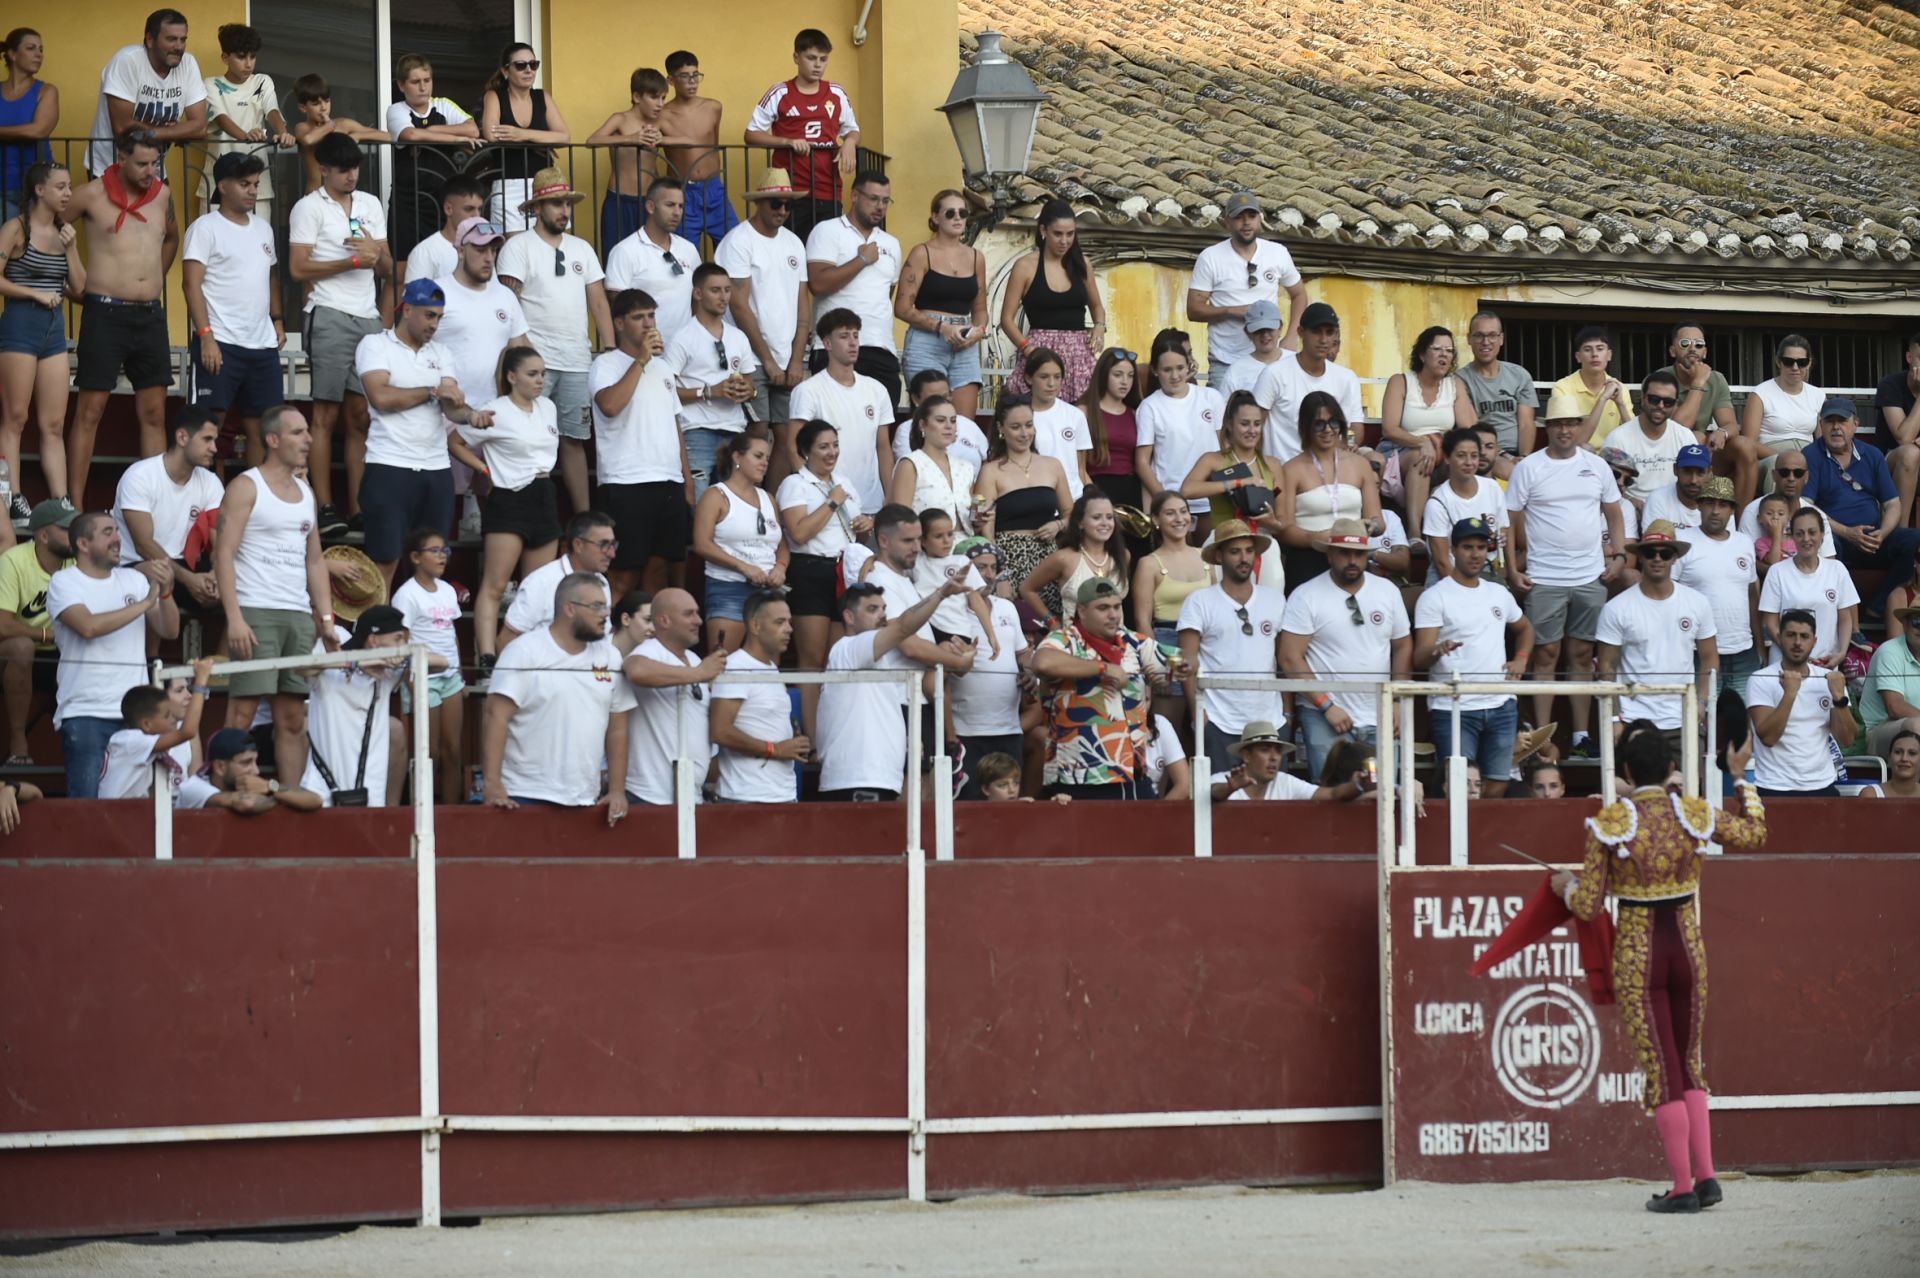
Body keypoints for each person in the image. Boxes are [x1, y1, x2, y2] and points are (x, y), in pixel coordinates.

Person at [1552, 728, 1768, 1214]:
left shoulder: (1610, 822)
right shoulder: (1691, 813)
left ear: (1627, 772)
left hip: (1638, 954)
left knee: (1663, 1070)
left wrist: (1564, 886)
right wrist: (1741, 778)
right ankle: (1707, 1177)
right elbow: (1754, 833)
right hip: (1688, 950)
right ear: (1670, 768)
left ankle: (1681, 1186)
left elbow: (1587, 906)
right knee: (1689, 1063)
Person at [214, 404, 333, 785]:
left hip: (297, 614)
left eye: (307, 432)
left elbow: (315, 560)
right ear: (273, 439)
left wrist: (326, 619)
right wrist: (234, 617)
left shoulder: (305, 491)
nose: (308, 439)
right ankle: (223, 796)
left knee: (293, 718)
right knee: (241, 715)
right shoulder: (246, 485)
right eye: (298, 432)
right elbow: (223, 553)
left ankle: (292, 798)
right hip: (256, 611)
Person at [1507, 394, 1627, 758]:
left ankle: (1578, 735)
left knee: (1581, 652)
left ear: (1578, 426)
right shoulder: (1529, 467)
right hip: (1544, 575)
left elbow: (1614, 514)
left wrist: (1620, 554)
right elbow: (1510, 520)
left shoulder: (1596, 465)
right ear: (1547, 426)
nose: (1564, 429)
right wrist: (1513, 568)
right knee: (1545, 654)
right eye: (1557, 423)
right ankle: (1542, 737)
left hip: (1590, 574)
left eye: (1570, 422)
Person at [64, 128, 176, 502]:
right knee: (89, 412)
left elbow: (172, 236)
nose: (150, 170)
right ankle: (74, 505)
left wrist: (155, 276)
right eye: (142, 163)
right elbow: (45, 226)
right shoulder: (91, 194)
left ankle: (154, 506)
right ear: (121, 159)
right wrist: (68, 278)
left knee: (155, 414)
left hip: (150, 315)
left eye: (154, 162)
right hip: (104, 312)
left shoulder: (162, 195)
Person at [354, 278, 488, 584]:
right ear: (407, 309)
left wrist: (472, 416)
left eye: (439, 317)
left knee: (430, 565)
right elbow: (381, 398)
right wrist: (431, 390)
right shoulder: (375, 344)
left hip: (436, 468)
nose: (434, 324)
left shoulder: (442, 353)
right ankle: (378, 629)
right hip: (389, 465)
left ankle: (419, 631)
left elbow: (452, 404)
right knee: (384, 563)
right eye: (429, 315)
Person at [288, 132, 390, 533]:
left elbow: (385, 268)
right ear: (324, 169)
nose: (351, 176)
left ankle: (359, 506)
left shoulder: (370, 204)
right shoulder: (308, 208)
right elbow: (297, 269)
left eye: (356, 168)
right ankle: (325, 507)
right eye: (343, 169)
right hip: (327, 313)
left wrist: (375, 254)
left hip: (367, 318)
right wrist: (351, 260)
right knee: (325, 415)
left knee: (360, 417)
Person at [495, 169, 611, 516]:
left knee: (574, 440)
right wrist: (522, 352)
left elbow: (600, 302)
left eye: (567, 203)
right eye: (556, 203)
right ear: (537, 208)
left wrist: (611, 350)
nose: (564, 210)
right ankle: (530, 512)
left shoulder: (582, 248)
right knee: (529, 437)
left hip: (577, 359)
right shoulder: (518, 246)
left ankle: (583, 518)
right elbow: (507, 302)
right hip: (533, 360)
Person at [47, 511, 178, 796]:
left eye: (117, 531)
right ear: (82, 543)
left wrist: (165, 592)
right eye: (108, 532)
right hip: (85, 712)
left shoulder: (133, 579)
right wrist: (145, 603)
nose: (118, 538)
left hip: (135, 713)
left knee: (135, 806)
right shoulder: (64, 582)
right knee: (86, 807)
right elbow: (88, 627)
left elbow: (169, 630)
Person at [483, 572, 631, 821]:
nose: (605, 614)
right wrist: (493, 784)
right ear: (569, 609)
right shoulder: (524, 650)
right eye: (596, 606)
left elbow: (618, 728)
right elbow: (496, 716)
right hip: (522, 794)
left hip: (586, 797)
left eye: (606, 605)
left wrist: (617, 790)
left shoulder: (611, 656)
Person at [1280, 518, 1413, 778]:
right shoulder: (1306, 595)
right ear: (1330, 554)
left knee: (1384, 794)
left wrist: (1397, 699)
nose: (1352, 560)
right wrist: (1326, 706)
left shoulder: (1388, 591)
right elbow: (1289, 657)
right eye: (1344, 552)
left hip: (1380, 710)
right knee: (1331, 796)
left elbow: (1403, 646)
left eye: (1359, 553)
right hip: (1324, 715)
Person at [448, 346, 558, 661]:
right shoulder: (495, 409)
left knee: (536, 591)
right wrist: (484, 470)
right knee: (495, 584)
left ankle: (527, 657)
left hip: (544, 490)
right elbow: (455, 442)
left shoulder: (547, 407)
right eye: (532, 374)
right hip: (510, 495)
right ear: (512, 376)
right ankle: (486, 655)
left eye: (542, 374)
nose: (540, 380)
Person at [816, 577, 969, 801]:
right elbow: (902, 627)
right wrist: (941, 594)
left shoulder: (874, 658)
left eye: (883, 608)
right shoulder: (848, 648)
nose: (882, 615)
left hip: (871, 779)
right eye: (872, 609)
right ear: (849, 617)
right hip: (858, 779)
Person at [1413, 517, 1532, 797]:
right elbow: (1419, 657)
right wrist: (1437, 650)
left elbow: (1526, 629)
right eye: (1468, 547)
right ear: (1453, 549)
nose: (1476, 553)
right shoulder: (1435, 596)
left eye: (1482, 547)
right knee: (1458, 786)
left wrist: (1522, 659)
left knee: (1499, 782)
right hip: (1453, 704)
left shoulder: (1498, 592)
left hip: (1501, 703)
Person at [183, 153, 282, 464]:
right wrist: (206, 337)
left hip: (262, 344)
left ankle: (257, 506)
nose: (253, 190)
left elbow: (271, 277)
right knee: (208, 428)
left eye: (255, 184)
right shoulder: (205, 227)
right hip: (220, 341)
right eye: (244, 184)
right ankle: (201, 503)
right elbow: (190, 285)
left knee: (265, 431)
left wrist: (278, 321)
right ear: (223, 186)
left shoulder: (264, 229)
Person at [1031, 578, 1167, 799]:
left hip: (1133, 771)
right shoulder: (1065, 639)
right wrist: (1102, 668)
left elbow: (1177, 661)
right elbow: (1042, 662)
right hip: (1079, 775)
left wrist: (1183, 667)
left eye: (1116, 607)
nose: (1113, 615)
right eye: (1103, 608)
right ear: (1082, 611)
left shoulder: (1134, 642)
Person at [300, 605, 444, 808]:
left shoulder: (387, 675)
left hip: (370, 793)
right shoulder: (330, 673)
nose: (403, 644)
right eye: (397, 639)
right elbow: (302, 667)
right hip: (322, 791)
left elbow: (442, 663)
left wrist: (406, 657)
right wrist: (356, 663)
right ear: (373, 640)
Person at [1596, 520, 1720, 755]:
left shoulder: (1697, 602)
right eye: (1650, 552)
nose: (1657, 559)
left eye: (1665, 554)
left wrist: (1702, 704)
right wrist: (1613, 719)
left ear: (1675, 558)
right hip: (1633, 720)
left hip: (1683, 719)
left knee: (1692, 790)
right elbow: (1606, 667)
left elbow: (1710, 658)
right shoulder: (1616, 608)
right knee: (1635, 791)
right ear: (1641, 556)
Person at [0, 159, 81, 514]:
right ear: (39, 190)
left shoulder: (65, 232)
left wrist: (74, 248)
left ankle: (60, 500)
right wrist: (33, 293)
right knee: (15, 417)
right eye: (61, 187)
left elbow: (81, 287)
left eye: (69, 187)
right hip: (20, 323)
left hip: (53, 328)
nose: (68, 193)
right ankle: (13, 495)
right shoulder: (16, 228)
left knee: (53, 423)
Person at [778, 419, 870, 728]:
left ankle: (833, 731)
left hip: (844, 570)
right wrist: (832, 503)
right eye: (823, 447)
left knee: (838, 658)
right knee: (812, 659)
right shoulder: (795, 484)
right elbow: (799, 533)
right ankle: (812, 737)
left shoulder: (843, 481)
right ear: (805, 451)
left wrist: (865, 527)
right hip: (809, 571)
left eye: (834, 445)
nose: (831, 453)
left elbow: (855, 535)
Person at [1802, 396, 1920, 621]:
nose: (1836, 427)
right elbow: (1807, 507)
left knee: (1915, 541)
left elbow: (1893, 504)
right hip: (1835, 536)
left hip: (1872, 536)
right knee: (1823, 543)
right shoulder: (1811, 455)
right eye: (1830, 421)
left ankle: (1879, 605)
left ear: (1855, 423)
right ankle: (1837, 617)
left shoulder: (1872, 454)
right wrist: (1846, 532)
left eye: (1842, 421)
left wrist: (1882, 533)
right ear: (1821, 425)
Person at [1177, 520, 1285, 765]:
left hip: (1269, 718)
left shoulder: (1275, 600)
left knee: (1273, 800)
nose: (1243, 558)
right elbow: (1187, 663)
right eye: (1235, 552)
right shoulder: (1199, 601)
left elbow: (1284, 660)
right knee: (1220, 797)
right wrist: (1198, 714)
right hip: (1217, 718)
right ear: (1219, 555)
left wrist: (1287, 713)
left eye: (1248, 551)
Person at [745, 28, 861, 241]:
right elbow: (751, 134)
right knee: (791, 250)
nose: (818, 65)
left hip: (829, 189)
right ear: (796, 58)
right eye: (811, 58)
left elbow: (852, 130)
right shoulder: (779, 92)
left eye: (823, 59)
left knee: (826, 252)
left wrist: (850, 143)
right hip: (789, 192)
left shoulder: (836, 92)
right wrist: (786, 142)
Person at [719, 170, 812, 434]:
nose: (782, 210)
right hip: (750, 357)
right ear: (758, 203)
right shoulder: (739, 241)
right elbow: (738, 305)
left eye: (788, 205)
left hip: (785, 356)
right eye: (775, 203)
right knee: (756, 432)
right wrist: (768, 361)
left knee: (787, 434)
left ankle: (777, 479)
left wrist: (796, 359)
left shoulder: (794, 243)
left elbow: (802, 304)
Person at [1187, 192, 1306, 385]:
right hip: (1225, 360)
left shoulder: (1277, 253)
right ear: (1227, 222)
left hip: (1269, 359)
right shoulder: (1210, 257)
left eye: (1251, 216)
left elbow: (1299, 294)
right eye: (1239, 217)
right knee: (1225, 414)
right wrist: (1231, 311)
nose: (1246, 222)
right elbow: (1193, 309)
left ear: (1260, 218)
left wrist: (1291, 338)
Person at [805, 170, 901, 406]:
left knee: (880, 428)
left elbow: (886, 294)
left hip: (882, 348)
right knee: (835, 428)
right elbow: (817, 284)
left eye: (885, 201)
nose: (880, 206)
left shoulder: (891, 243)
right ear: (855, 196)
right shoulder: (827, 231)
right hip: (834, 347)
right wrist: (861, 261)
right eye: (873, 198)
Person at [112, 406, 222, 611]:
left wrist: (217, 574)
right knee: (159, 578)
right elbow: (143, 545)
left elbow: (219, 541)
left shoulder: (211, 482)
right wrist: (189, 580)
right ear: (182, 437)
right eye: (207, 439)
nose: (215, 448)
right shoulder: (140, 477)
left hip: (185, 565)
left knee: (245, 589)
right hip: (137, 565)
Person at [621, 587, 724, 806]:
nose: (698, 620)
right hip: (649, 796)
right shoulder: (651, 650)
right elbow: (635, 669)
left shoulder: (695, 659)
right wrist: (699, 674)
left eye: (697, 613)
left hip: (690, 796)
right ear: (664, 621)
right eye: (689, 614)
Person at [785, 308, 894, 514]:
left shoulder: (877, 390)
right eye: (844, 336)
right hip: (826, 503)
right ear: (827, 344)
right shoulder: (808, 391)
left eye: (855, 335)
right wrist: (813, 492)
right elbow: (793, 447)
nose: (853, 343)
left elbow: (883, 448)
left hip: (871, 505)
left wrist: (891, 499)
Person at [666, 261, 759, 501]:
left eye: (727, 290)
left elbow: (750, 382)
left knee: (735, 504)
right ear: (698, 293)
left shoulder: (738, 337)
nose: (724, 297)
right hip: (696, 430)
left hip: (735, 429)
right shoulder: (682, 338)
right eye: (715, 290)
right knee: (698, 504)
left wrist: (746, 390)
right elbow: (665, 392)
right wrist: (708, 392)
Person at [1000, 199, 1105, 404]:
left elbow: (1096, 306)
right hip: (1040, 350)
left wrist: (1099, 327)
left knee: (1081, 414)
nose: (1064, 241)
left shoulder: (1082, 264)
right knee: (1032, 412)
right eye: (1058, 234)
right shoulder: (1025, 266)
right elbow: (1006, 319)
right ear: (1043, 231)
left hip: (1079, 352)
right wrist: (1027, 348)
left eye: (1070, 234)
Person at [895, 188, 986, 423]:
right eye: (950, 213)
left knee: (965, 425)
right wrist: (942, 328)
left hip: (965, 342)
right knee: (930, 420)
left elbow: (980, 310)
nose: (958, 218)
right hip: (927, 342)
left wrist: (977, 333)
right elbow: (902, 307)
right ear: (935, 217)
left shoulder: (976, 257)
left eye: (963, 212)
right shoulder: (921, 253)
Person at [710, 588, 809, 803]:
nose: (789, 629)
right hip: (747, 798)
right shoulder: (737, 667)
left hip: (781, 795)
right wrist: (776, 749)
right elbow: (720, 730)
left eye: (789, 622)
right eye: (780, 622)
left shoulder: (771, 668)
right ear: (755, 626)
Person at [389, 528, 465, 804]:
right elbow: (402, 641)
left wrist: (459, 674)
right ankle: (423, 810)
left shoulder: (447, 590)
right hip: (422, 677)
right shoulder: (406, 594)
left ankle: (452, 810)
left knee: (453, 749)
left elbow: (451, 634)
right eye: (434, 551)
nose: (442, 556)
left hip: (451, 678)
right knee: (427, 751)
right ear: (415, 557)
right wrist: (410, 679)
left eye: (445, 550)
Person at [1278, 391, 1384, 588]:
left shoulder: (1360, 464)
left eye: (1333, 422)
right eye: (1319, 424)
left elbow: (1378, 521)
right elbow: (1284, 530)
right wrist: (1315, 538)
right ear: (1306, 427)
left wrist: (1371, 526)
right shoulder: (1291, 469)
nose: (1328, 430)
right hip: (1308, 556)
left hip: (1352, 552)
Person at [692, 432, 786, 652]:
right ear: (737, 457)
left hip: (768, 590)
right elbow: (702, 544)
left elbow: (782, 546)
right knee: (723, 662)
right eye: (758, 456)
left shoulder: (768, 498)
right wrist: (743, 566)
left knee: (767, 666)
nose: (765, 463)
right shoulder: (716, 495)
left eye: (767, 458)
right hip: (728, 586)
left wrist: (780, 567)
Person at [385, 53, 481, 266]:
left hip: (440, 201)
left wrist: (432, 130)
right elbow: (410, 135)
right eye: (415, 82)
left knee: (445, 265)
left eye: (427, 81)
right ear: (401, 85)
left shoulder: (443, 105)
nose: (423, 87)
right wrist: (454, 138)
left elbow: (472, 129)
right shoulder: (396, 110)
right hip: (407, 202)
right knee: (401, 272)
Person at [1747, 609, 1855, 797]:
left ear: (1814, 641)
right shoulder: (1760, 679)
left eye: (1804, 636)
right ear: (1779, 638)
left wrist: (1839, 699)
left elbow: (1847, 740)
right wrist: (1789, 694)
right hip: (1774, 786)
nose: (1797, 642)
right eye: (1791, 635)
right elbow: (1769, 738)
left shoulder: (1829, 679)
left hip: (1822, 784)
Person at [951, 537, 1029, 794]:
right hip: (965, 731)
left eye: (993, 567)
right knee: (968, 809)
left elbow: (1024, 654)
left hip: (1009, 729)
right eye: (980, 567)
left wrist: (1030, 674)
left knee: (1009, 809)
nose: (988, 574)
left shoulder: (1007, 607)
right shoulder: (949, 611)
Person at [1182, 389, 1286, 577]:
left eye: (1257, 424)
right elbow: (1187, 490)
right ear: (1230, 425)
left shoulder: (1272, 464)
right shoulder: (1213, 460)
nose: (1252, 431)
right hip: (1223, 541)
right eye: (1245, 424)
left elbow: (1283, 521)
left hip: (1263, 542)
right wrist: (1238, 482)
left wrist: (1271, 522)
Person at [1674, 477, 1762, 700]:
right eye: (1710, 503)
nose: (1715, 511)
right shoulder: (1683, 542)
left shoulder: (1744, 543)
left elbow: (1752, 596)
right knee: (1699, 722)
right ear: (1700, 505)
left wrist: (1760, 645)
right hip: (1697, 651)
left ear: (1732, 510)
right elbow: (1670, 598)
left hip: (1743, 650)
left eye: (1723, 504)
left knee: (1743, 726)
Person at [1379, 325, 1476, 527]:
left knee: (1463, 462)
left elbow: (1468, 427)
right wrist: (1423, 442)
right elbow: (1389, 429)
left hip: (1440, 450)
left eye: (1449, 351)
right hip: (1400, 450)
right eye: (1438, 349)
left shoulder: (1454, 384)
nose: (1444, 356)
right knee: (1420, 457)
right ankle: (1415, 534)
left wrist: (1438, 444)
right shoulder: (1401, 381)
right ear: (1422, 354)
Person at [86, 9, 204, 175]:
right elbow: (122, 128)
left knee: (165, 201)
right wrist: (175, 132)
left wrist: (153, 132)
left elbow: (199, 126)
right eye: (171, 39)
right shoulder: (127, 60)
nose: (178, 47)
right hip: (111, 168)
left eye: (183, 39)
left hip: (154, 169)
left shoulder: (188, 64)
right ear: (150, 39)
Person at [974, 396, 1073, 592]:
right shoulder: (990, 470)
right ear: (1001, 428)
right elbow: (979, 520)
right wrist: (1000, 572)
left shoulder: (1053, 465)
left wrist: (1058, 524)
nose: (1024, 433)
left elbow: (1071, 513)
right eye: (1015, 427)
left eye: (1029, 425)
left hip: (1047, 560)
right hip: (1007, 558)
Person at [1655, 322, 1755, 509]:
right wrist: (1698, 382)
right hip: (1669, 454)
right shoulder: (1662, 380)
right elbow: (1678, 428)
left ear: (1705, 352)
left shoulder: (1716, 379)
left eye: (1698, 344)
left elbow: (1731, 424)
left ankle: (1743, 522)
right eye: (1685, 343)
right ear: (1672, 351)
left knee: (1744, 445)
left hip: (1704, 452)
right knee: (1697, 436)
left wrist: (1722, 433)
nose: (1692, 348)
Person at [0, 499, 70, 762]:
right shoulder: (14, 561)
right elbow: (3, 625)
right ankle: (18, 740)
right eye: (65, 529)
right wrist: (46, 635)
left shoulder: (78, 559)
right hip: (15, 654)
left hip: (64, 652)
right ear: (43, 535)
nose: (73, 534)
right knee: (22, 647)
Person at [201, 24, 291, 226]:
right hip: (218, 184)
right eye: (241, 57)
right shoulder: (211, 84)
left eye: (252, 56)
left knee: (259, 249)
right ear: (225, 58)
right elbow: (220, 118)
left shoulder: (262, 81)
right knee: (215, 249)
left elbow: (272, 110)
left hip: (256, 183)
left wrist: (283, 133)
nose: (248, 63)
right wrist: (245, 135)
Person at [1252, 302, 1364, 463]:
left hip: (1333, 470)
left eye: (1329, 332)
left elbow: (1355, 427)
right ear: (1301, 332)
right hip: (1284, 471)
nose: (1324, 339)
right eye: (1316, 332)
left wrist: (1345, 447)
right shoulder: (1274, 374)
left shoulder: (1347, 378)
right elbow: (1255, 424)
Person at [479, 42, 570, 232]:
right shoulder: (495, 96)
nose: (528, 70)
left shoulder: (542, 97)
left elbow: (564, 137)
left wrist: (522, 135)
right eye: (521, 65)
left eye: (533, 64)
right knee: (513, 248)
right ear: (506, 71)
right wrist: (541, 140)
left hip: (546, 182)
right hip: (508, 183)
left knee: (552, 244)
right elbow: (492, 134)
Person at [1135, 337, 1226, 524]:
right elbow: (1143, 462)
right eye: (1167, 370)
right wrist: (1166, 501)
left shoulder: (1211, 397)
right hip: (1172, 504)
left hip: (1213, 500)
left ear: (1189, 366)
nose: (1175, 375)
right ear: (1155, 371)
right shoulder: (1149, 407)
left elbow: (1223, 447)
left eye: (1180, 368)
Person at [497, 509, 614, 654]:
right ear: (578, 545)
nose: (611, 553)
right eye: (603, 545)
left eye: (612, 545)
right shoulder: (540, 582)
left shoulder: (601, 582)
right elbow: (506, 640)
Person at [605, 177, 703, 344]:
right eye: (670, 205)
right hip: (645, 353)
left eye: (680, 206)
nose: (677, 212)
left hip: (687, 352)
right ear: (650, 206)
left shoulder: (689, 249)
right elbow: (618, 307)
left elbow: (698, 299)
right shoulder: (625, 251)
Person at [1758, 507, 1858, 668]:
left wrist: (1841, 653)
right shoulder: (1777, 571)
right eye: (1799, 533)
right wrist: (1795, 654)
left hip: (1825, 663)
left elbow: (1845, 618)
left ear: (1822, 535)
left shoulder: (1837, 569)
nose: (1806, 539)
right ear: (1792, 537)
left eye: (1812, 532)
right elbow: (1770, 622)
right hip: (1785, 665)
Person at [654, 50, 733, 252]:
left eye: (696, 75)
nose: (692, 81)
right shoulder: (661, 115)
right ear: (670, 80)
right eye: (685, 76)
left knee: (733, 245)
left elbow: (712, 145)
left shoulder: (714, 107)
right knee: (684, 252)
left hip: (714, 188)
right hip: (683, 192)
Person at [584, 67, 669, 256]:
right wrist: (630, 139)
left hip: (650, 201)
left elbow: (689, 140)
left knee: (651, 256)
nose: (660, 104)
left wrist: (663, 139)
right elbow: (592, 141)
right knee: (615, 255)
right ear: (637, 97)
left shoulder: (659, 123)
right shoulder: (620, 119)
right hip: (619, 201)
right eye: (654, 97)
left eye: (663, 98)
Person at [1021, 488, 1131, 629]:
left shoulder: (1123, 555)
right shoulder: (1063, 558)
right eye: (1097, 517)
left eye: (1109, 517)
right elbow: (1027, 589)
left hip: (1117, 641)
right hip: (1077, 643)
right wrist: (1052, 623)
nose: (1105, 523)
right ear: (1080, 522)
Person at [1741, 334, 1825, 493]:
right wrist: (1786, 458)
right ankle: (1778, 515)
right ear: (1778, 362)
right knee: (1781, 467)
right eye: (1788, 362)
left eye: (1801, 362)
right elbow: (1748, 443)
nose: (1795, 368)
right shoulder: (1760, 393)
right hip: (1769, 455)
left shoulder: (1818, 395)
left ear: (1809, 364)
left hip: (1807, 455)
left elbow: (1821, 440)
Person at [1422, 428, 1507, 586]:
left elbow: (1503, 530)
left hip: (1487, 569)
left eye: (1474, 456)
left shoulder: (1492, 488)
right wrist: (1468, 594)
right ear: (1447, 458)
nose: (1469, 462)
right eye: (1461, 456)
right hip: (1449, 575)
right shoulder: (1437, 503)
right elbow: (1442, 562)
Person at [890, 394, 978, 535]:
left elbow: (973, 518)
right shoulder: (910, 464)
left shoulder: (966, 468)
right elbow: (901, 519)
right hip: (924, 549)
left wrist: (982, 516)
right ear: (923, 425)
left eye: (953, 420)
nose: (949, 426)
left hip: (966, 547)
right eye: (941, 420)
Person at [1219, 720, 1366, 802]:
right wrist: (1229, 789)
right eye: (1265, 749)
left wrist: (1356, 786)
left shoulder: (1285, 782)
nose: (1274, 757)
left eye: (1278, 751)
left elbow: (1332, 794)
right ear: (1246, 756)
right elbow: (1213, 792)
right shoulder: (1223, 780)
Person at [1457, 310, 1536, 460]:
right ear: (1469, 339)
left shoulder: (1519, 375)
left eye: (1492, 335)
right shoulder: (1460, 380)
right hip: (1479, 453)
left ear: (1501, 339)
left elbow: (1526, 423)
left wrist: (1524, 458)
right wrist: (1505, 457)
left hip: (1516, 453)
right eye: (1479, 335)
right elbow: (1472, 428)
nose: (1485, 342)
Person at [289, 74, 387, 195]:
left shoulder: (343, 124)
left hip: (341, 195)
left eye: (327, 101)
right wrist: (329, 126)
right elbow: (308, 139)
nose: (323, 107)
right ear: (303, 107)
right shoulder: (303, 127)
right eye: (316, 104)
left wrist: (357, 136)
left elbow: (387, 136)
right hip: (314, 196)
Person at [184, 726, 319, 813]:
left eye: (255, 762)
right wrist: (273, 792)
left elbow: (315, 800)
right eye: (246, 763)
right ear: (220, 767)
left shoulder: (263, 787)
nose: (255, 771)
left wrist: (270, 787)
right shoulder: (194, 787)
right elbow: (247, 803)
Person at [1607, 371, 1692, 510]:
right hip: (1631, 511)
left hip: (1675, 510)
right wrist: (1631, 502)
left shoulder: (1684, 436)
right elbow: (1606, 486)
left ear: (1676, 404)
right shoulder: (1618, 438)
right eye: (1654, 399)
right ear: (1642, 397)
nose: (1661, 405)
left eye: (1668, 402)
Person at [1736, 448, 1836, 560]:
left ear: (1806, 477)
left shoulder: (1817, 516)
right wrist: (1782, 573)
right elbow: (1747, 560)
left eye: (1798, 473)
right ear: (1774, 475)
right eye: (1784, 473)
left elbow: (1829, 560)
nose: (1791, 478)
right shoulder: (1753, 510)